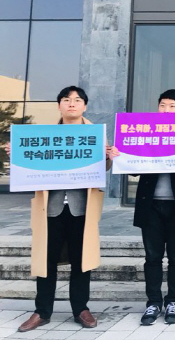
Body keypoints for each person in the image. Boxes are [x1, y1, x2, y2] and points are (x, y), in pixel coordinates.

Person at [10, 86, 108, 333]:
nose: (72, 104)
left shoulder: (95, 133)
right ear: (59, 106)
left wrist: (109, 156)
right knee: (46, 261)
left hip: (80, 209)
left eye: (77, 100)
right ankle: (42, 311)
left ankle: (81, 309)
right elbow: (29, 163)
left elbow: (102, 169)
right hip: (51, 208)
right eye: (67, 100)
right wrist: (17, 154)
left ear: (85, 106)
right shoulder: (45, 134)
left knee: (81, 261)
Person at [108, 89, 175, 326]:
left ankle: (173, 301)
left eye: (172, 106)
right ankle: (153, 302)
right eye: (163, 105)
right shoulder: (146, 132)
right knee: (152, 257)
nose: (166, 109)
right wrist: (119, 155)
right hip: (150, 205)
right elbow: (133, 168)